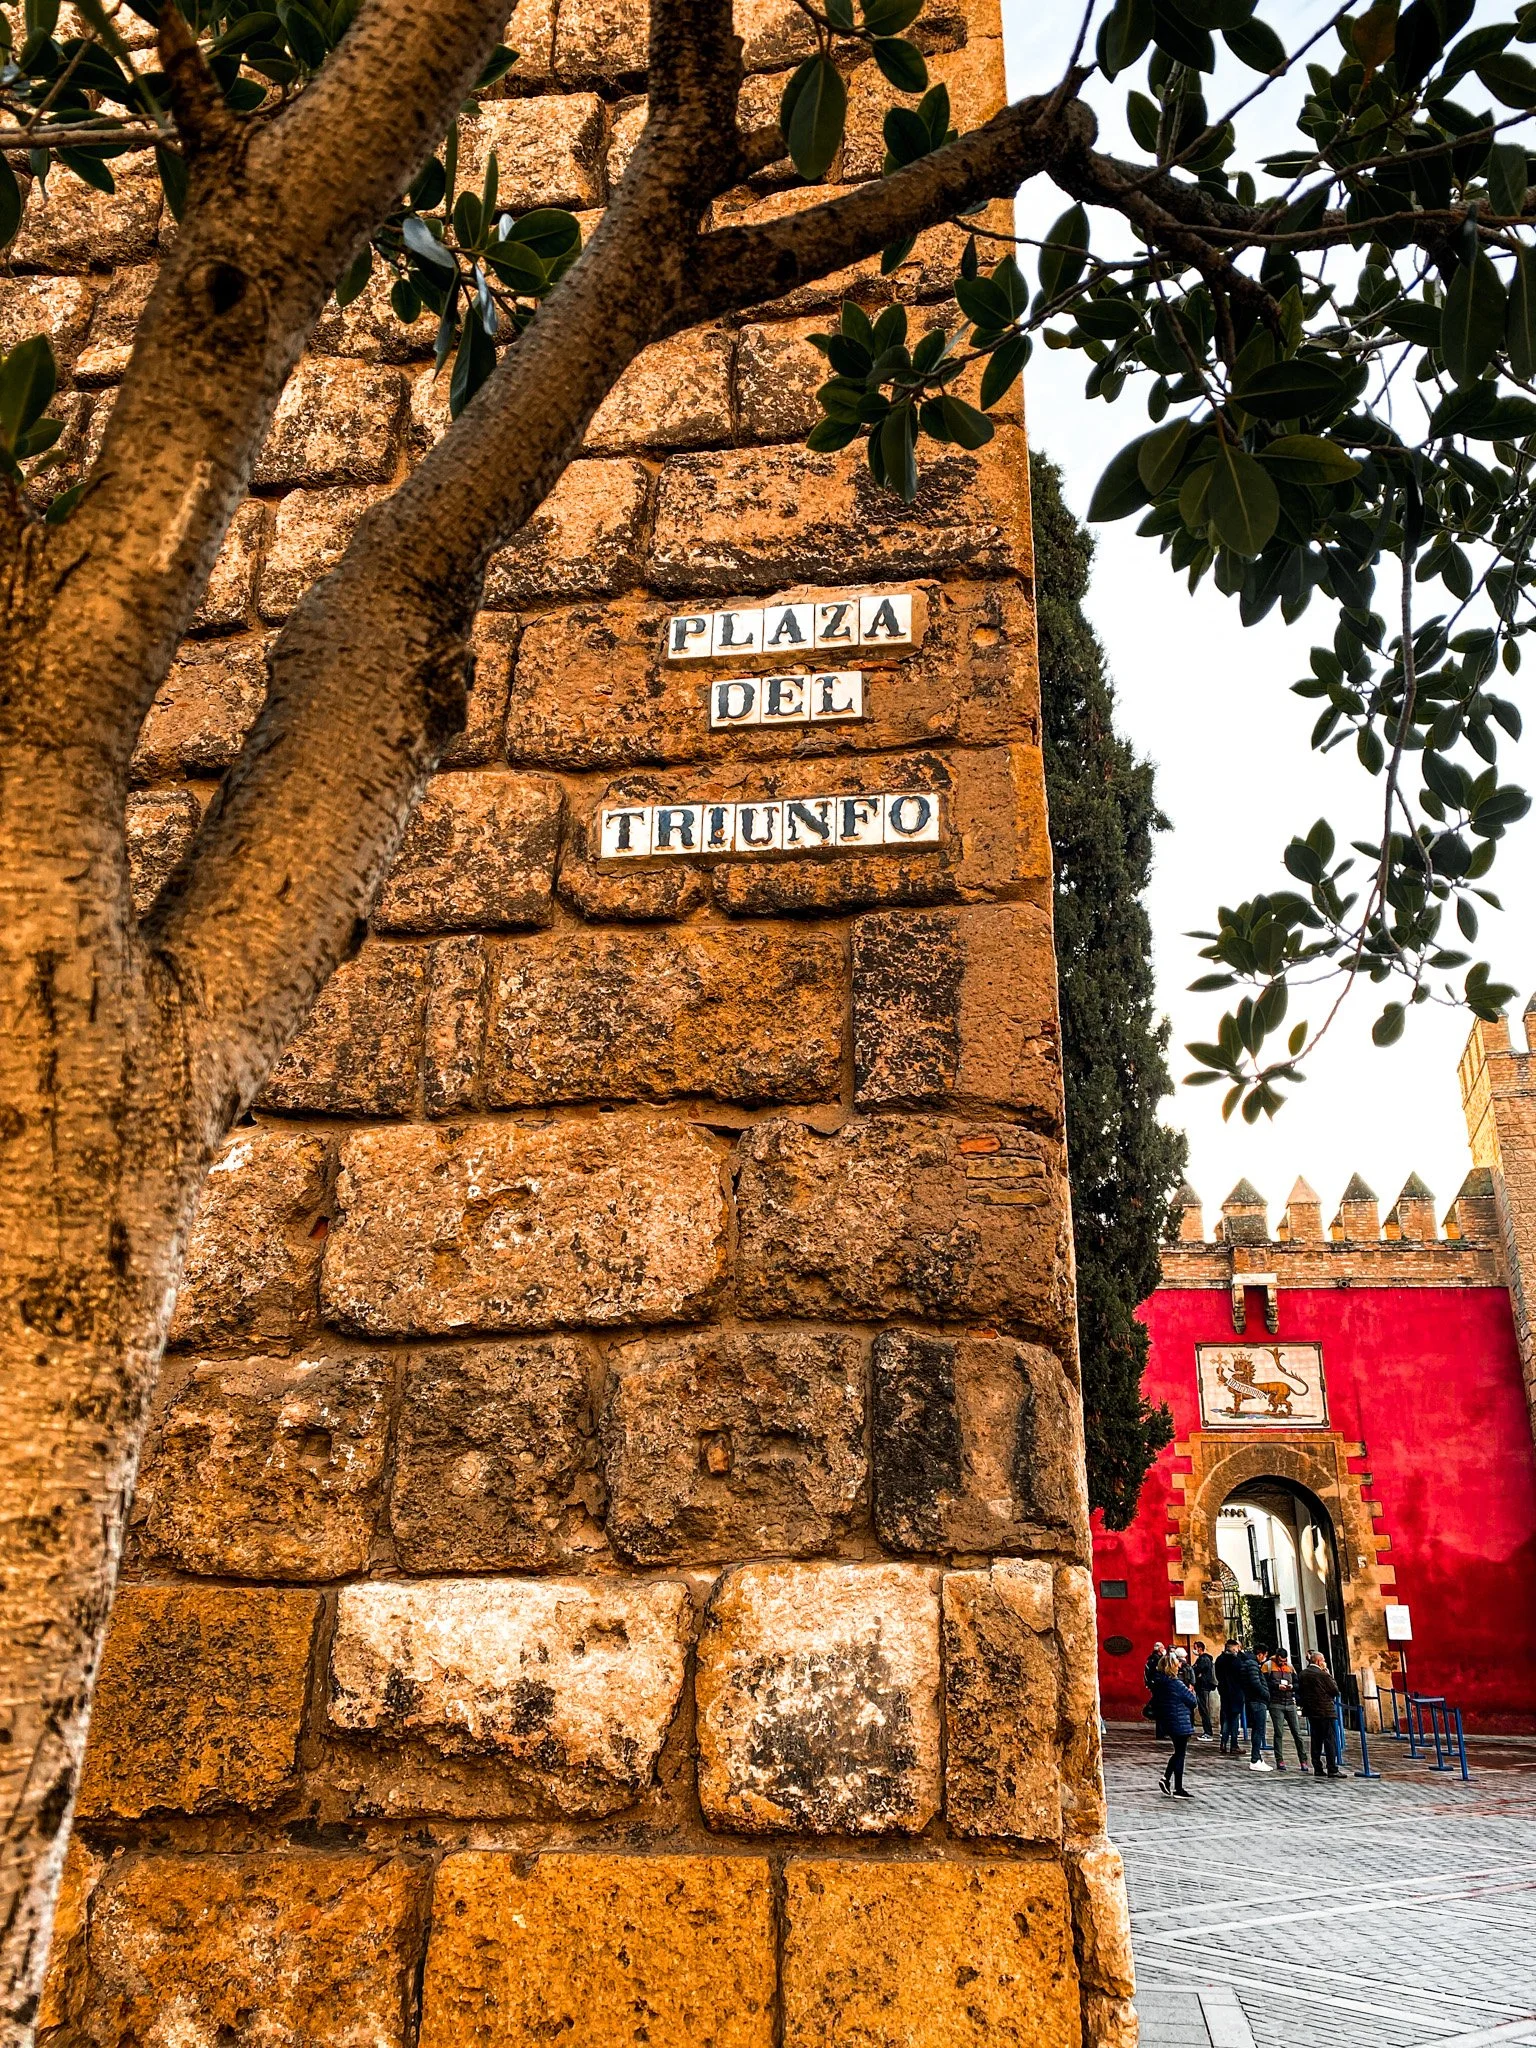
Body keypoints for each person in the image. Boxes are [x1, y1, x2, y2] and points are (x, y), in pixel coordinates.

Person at [1150, 1654, 1198, 1798]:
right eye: (1177, 1664)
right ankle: (1176, 1786)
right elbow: (1192, 1701)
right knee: (1180, 1753)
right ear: (1172, 1667)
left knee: (1178, 1753)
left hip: (1168, 1721)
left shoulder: (1159, 1683)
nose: (1179, 1666)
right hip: (1179, 1721)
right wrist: (1191, 1693)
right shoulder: (1176, 1684)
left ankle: (1169, 1781)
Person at [1298, 1652, 1343, 1778]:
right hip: (1325, 1710)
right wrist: (1328, 1674)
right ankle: (1332, 1768)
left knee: (1316, 1740)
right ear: (1319, 1661)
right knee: (1329, 1740)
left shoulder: (1303, 1674)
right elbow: (1334, 1690)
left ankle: (1317, 1767)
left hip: (1311, 1711)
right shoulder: (1323, 1674)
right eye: (1323, 1660)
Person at [1266, 1649, 1308, 1771]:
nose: (1282, 1663)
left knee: (1297, 1733)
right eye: (1280, 1661)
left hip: (1290, 1703)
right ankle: (1280, 1760)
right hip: (1276, 1703)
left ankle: (1303, 1760)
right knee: (1279, 1733)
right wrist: (1276, 1686)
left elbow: (1297, 1683)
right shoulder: (1268, 1666)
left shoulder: (1290, 1667)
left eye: (1284, 1661)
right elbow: (1265, 1683)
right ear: (1277, 1657)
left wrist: (1291, 1687)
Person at [1238, 1641, 1271, 1769]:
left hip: (1254, 1700)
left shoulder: (1248, 1663)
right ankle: (1255, 1759)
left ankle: (1257, 1757)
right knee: (1259, 1730)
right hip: (1257, 1701)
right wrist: (1265, 1694)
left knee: (1258, 1730)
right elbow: (1255, 1683)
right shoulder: (1252, 1665)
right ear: (1261, 1654)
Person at [1214, 1639, 1246, 1754]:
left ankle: (1223, 1742)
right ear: (1233, 1648)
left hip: (1224, 1692)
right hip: (1235, 1692)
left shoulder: (1219, 1660)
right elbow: (1241, 1675)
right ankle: (1234, 1744)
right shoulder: (1236, 1660)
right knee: (1235, 1719)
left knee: (1227, 1718)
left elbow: (1217, 1675)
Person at [1192, 1641, 1217, 1742]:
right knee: (1203, 1709)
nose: (1194, 1650)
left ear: (1200, 1648)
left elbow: (1196, 1669)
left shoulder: (1204, 1659)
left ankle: (1208, 1732)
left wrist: (1197, 1671)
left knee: (1203, 1709)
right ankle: (1207, 1731)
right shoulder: (1204, 1659)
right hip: (1202, 1686)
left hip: (1203, 1686)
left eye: (1195, 1648)